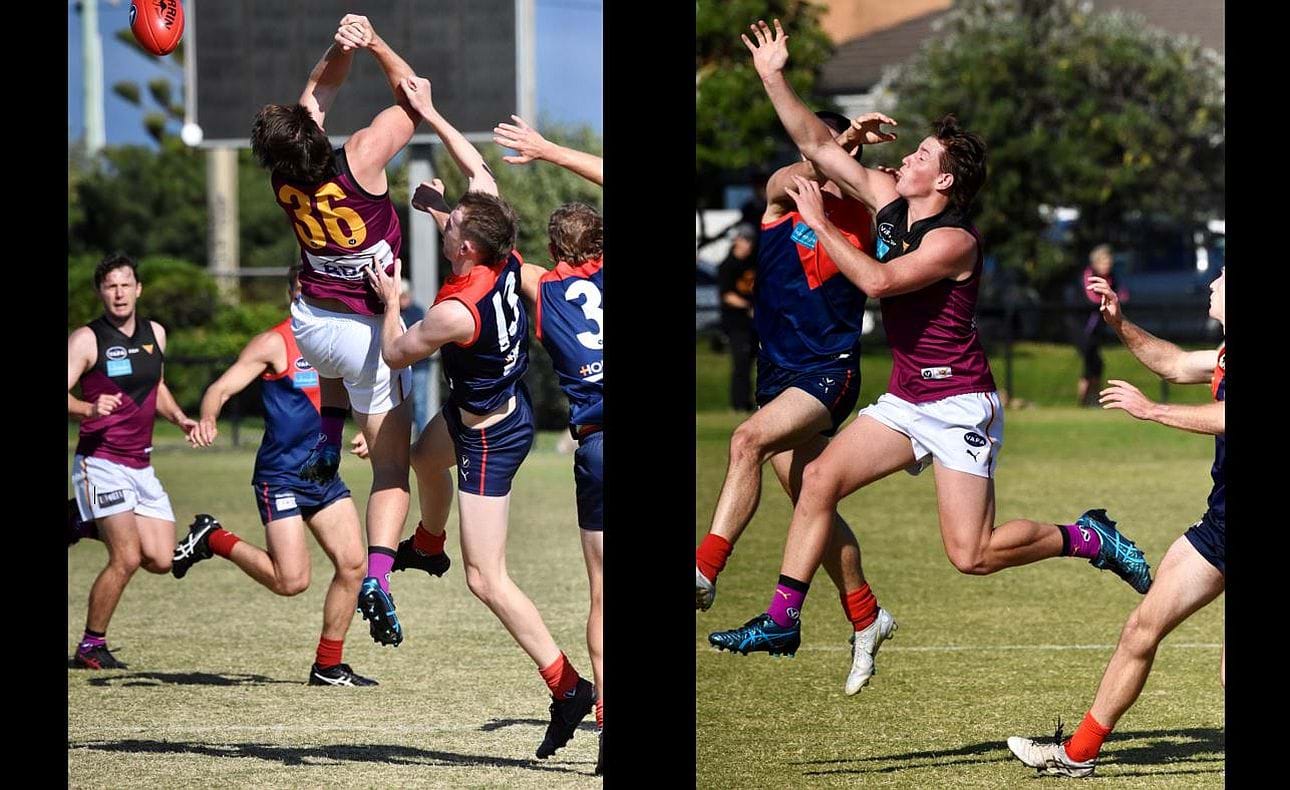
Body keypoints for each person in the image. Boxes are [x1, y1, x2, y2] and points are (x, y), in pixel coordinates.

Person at [709, 20, 1153, 670]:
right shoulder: (889, 201)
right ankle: (783, 618)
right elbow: (817, 145)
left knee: (971, 555)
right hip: (908, 398)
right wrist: (772, 74)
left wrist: (816, 224)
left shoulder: (955, 242)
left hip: (959, 404)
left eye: (921, 156)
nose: (906, 159)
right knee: (819, 480)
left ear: (943, 183)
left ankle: (1086, 536)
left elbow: (879, 279)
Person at [373, 77, 595, 761]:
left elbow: (393, 351)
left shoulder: (449, 311)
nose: (446, 228)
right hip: (494, 409)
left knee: (486, 578)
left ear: (466, 247)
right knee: (421, 459)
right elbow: (476, 173)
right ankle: (428, 545)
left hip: (492, 433)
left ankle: (567, 688)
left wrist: (390, 297)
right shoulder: (504, 257)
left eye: (451, 229)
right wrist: (432, 112)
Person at [697, 109, 905, 696]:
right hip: (778, 373)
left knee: (747, 441)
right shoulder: (780, 198)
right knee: (813, 497)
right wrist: (839, 143)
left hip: (829, 372)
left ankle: (704, 570)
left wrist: (870, 167)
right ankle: (867, 614)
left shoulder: (866, 214)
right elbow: (805, 164)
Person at [250, 13, 427, 647]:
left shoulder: (282, 173)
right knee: (391, 471)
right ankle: (379, 575)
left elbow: (314, 93)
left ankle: (325, 447)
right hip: (367, 327)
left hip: (311, 322)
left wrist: (336, 48)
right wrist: (375, 42)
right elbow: (413, 96)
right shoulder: (360, 156)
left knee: (331, 388)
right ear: (318, 136)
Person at [1007, 268, 1225, 777]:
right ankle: (1078, 754)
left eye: (1222, 276)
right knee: (1141, 629)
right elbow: (1171, 363)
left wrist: (1151, 411)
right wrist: (1120, 323)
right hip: (1220, 525)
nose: (1213, 282)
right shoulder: (1222, 354)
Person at [170, 267, 377, 686]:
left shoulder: (339, 341)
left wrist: (369, 435)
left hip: (322, 474)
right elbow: (221, 389)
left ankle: (327, 666)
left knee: (354, 565)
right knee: (291, 580)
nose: (310, 299)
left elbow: (362, 395)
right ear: (292, 296)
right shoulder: (273, 342)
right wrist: (208, 416)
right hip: (280, 476)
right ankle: (213, 538)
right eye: (303, 291)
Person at [495, 114, 605, 774]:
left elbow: (487, 235)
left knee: (602, 595)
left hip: (594, 446)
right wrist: (547, 150)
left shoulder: (542, 285)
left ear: (553, 249)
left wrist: (436, 207)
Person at [67, 254, 201, 669]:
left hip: (141, 464)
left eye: (126, 284)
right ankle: (91, 645)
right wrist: (88, 410)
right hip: (101, 461)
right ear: (101, 292)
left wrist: (180, 418)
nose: (119, 293)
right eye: (110, 286)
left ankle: (79, 520)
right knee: (125, 557)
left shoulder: (155, 333)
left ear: (138, 289)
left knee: (161, 559)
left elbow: (156, 387)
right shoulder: (87, 340)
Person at [1075, 244, 1128, 406]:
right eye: (1105, 261)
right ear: (1096, 262)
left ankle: (1093, 399)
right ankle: (1085, 400)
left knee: (1096, 364)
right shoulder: (1088, 275)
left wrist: (1114, 298)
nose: (1108, 264)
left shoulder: (1111, 277)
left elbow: (1124, 294)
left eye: (1110, 261)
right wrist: (1110, 298)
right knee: (1091, 363)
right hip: (1081, 328)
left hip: (1097, 329)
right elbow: (1091, 298)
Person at [717, 223, 758, 412]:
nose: (748, 245)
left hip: (754, 323)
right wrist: (748, 306)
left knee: (756, 362)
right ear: (737, 241)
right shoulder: (728, 265)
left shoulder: (753, 262)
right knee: (741, 362)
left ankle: (754, 400)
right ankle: (739, 403)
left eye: (751, 241)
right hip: (736, 323)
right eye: (745, 240)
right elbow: (727, 295)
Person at [399, 280, 432, 435]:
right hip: (400, 367)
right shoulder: (394, 313)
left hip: (419, 366)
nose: (402, 299)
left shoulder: (417, 311)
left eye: (404, 296)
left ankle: (422, 438)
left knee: (420, 404)